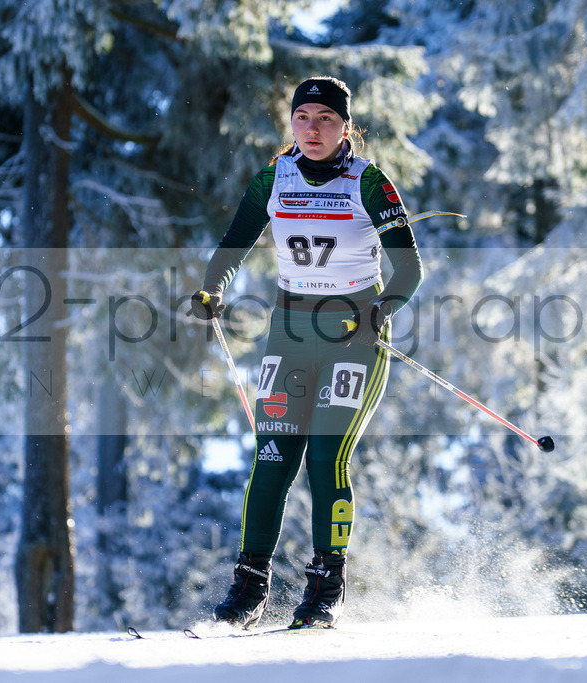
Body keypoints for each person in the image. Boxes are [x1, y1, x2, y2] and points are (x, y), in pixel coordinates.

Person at [190, 76, 423, 629]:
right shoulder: (275, 176)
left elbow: (409, 269)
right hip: (288, 336)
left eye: (324, 119)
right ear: (290, 123)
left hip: (352, 338)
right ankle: (249, 588)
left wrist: (381, 309)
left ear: (346, 127)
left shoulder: (369, 182)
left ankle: (325, 587)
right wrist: (213, 287)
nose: (312, 129)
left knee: (324, 456)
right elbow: (233, 244)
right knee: (271, 460)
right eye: (302, 118)